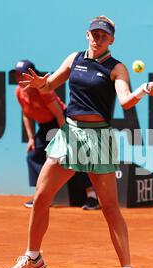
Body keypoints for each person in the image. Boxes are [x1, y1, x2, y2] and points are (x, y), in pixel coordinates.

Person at [3, 16, 153, 268]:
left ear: (111, 40)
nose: (97, 38)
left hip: (99, 138)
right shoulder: (74, 58)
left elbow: (125, 101)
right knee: (41, 197)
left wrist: (143, 89)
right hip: (70, 135)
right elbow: (49, 85)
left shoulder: (117, 68)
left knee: (110, 208)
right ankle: (32, 256)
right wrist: (42, 83)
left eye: (103, 35)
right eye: (94, 33)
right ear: (87, 35)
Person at [14, 60, 100, 210]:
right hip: (44, 127)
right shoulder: (19, 92)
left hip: (61, 121)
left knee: (73, 156)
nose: (19, 79)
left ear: (32, 75)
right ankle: (42, 195)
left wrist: (67, 137)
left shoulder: (43, 91)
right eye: (17, 75)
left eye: (23, 75)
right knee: (33, 155)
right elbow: (26, 115)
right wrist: (30, 138)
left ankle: (92, 196)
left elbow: (58, 113)